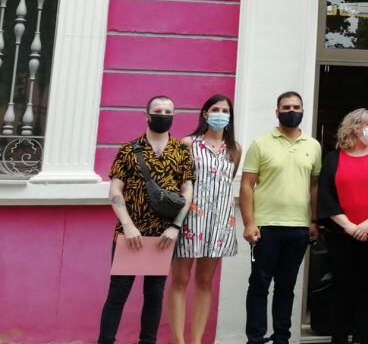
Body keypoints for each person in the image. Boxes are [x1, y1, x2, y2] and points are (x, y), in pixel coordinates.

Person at [99, 96, 194, 344]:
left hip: (163, 235)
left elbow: (187, 192)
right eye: (158, 110)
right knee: (118, 293)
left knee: (154, 295)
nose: (163, 114)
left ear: (175, 115)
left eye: (168, 110)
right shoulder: (129, 149)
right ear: (147, 115)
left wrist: (175, 227)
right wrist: (128, 226)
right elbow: (115, 190)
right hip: (130, 234)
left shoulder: (181, 151)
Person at [240, 91, 322, 344]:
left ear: (303, 110)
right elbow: (246, 185)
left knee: (286, 288)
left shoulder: (313, 145)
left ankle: (281, 338)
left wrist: (314, 220)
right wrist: (249, 222)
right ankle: (255, 338)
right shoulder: (261, 143)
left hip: (298, 228)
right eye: (286, 107)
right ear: (277, 111)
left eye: (296, 106)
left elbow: (314, 186)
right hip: (266, 227)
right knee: (259, 285)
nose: (291, 110)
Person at [316, 108, 368, 344]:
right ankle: (338, 337)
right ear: (353, 127)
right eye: (367, 123)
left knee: (364, 287)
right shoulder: (333, 158)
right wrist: (349, 225)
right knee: (341, 287)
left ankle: (361, 336)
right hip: (340, 234)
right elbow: (326, 196)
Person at [168, 94, 240, 344]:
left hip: (219, 222)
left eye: (226, 110)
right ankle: (179, 340)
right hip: (188, 220)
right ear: (205, 113)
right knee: (180, 280)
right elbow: (176, 183)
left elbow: (227, 182)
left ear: (230, 117)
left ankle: (197, 339)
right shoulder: (187, 143)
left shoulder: (235, 149)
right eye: (216, 109)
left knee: (205, 280)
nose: (221, 114)